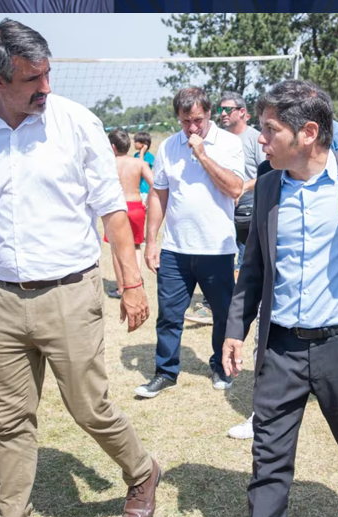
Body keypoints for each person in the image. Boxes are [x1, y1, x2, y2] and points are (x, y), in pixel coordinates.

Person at [0, 19, 160, 517]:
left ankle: (142, 473)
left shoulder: (75, 123)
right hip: (2, 295)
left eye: (48, 75)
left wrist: (131, 283)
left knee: (89, 407)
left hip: (70, 292)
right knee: (10, 419)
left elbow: (113, 211)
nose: (45, 88)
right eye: (31, 81)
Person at [222, 79, 338, 517]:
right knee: (269, 454)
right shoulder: (269, 183)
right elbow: (253, 266)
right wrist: (236, 329)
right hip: (279, 348)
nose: (261, 138)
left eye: (270, 129)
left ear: (309, 132)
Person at [136, 87, 245, 399]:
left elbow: (235, 188)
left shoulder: (229, 143)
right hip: (175, 249)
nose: (193, 128)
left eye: (198, 120)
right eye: (186, 122)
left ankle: (221, 366)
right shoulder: (169, 147)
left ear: (209, 113)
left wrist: (201, 153)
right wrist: (151, 240)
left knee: (223, 315)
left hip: (217, 248)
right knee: (169, 315)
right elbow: (158, 194)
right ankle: (165, 372)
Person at [184, 91, 264, 326]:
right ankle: (215, 307)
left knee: (246, 262)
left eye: (228, 109)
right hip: (224, 211)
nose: (223, 114)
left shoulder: (255, 139)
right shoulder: (219, 139)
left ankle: (237, 309)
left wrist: (242, 188)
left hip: (249, 211)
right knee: (224, 261)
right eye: (220, 109)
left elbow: (269, 174)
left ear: (243, 112)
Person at [104, 129, 153, 299]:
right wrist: (148, 201)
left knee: (115, 248)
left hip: (117, 207)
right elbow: (154, 183)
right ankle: (136, 281)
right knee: (137, 245)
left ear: (112, 147)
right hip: (136, 205)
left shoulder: (108, 163)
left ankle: (121, 288)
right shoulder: (139, 163)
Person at [133, 131, 155, 203]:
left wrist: (142, 153)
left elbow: (141, 167)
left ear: (143, 144)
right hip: (137, 188)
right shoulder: (135, 155)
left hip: (145, 189)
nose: (134, 143)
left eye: (136, 141)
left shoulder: (150, 157)